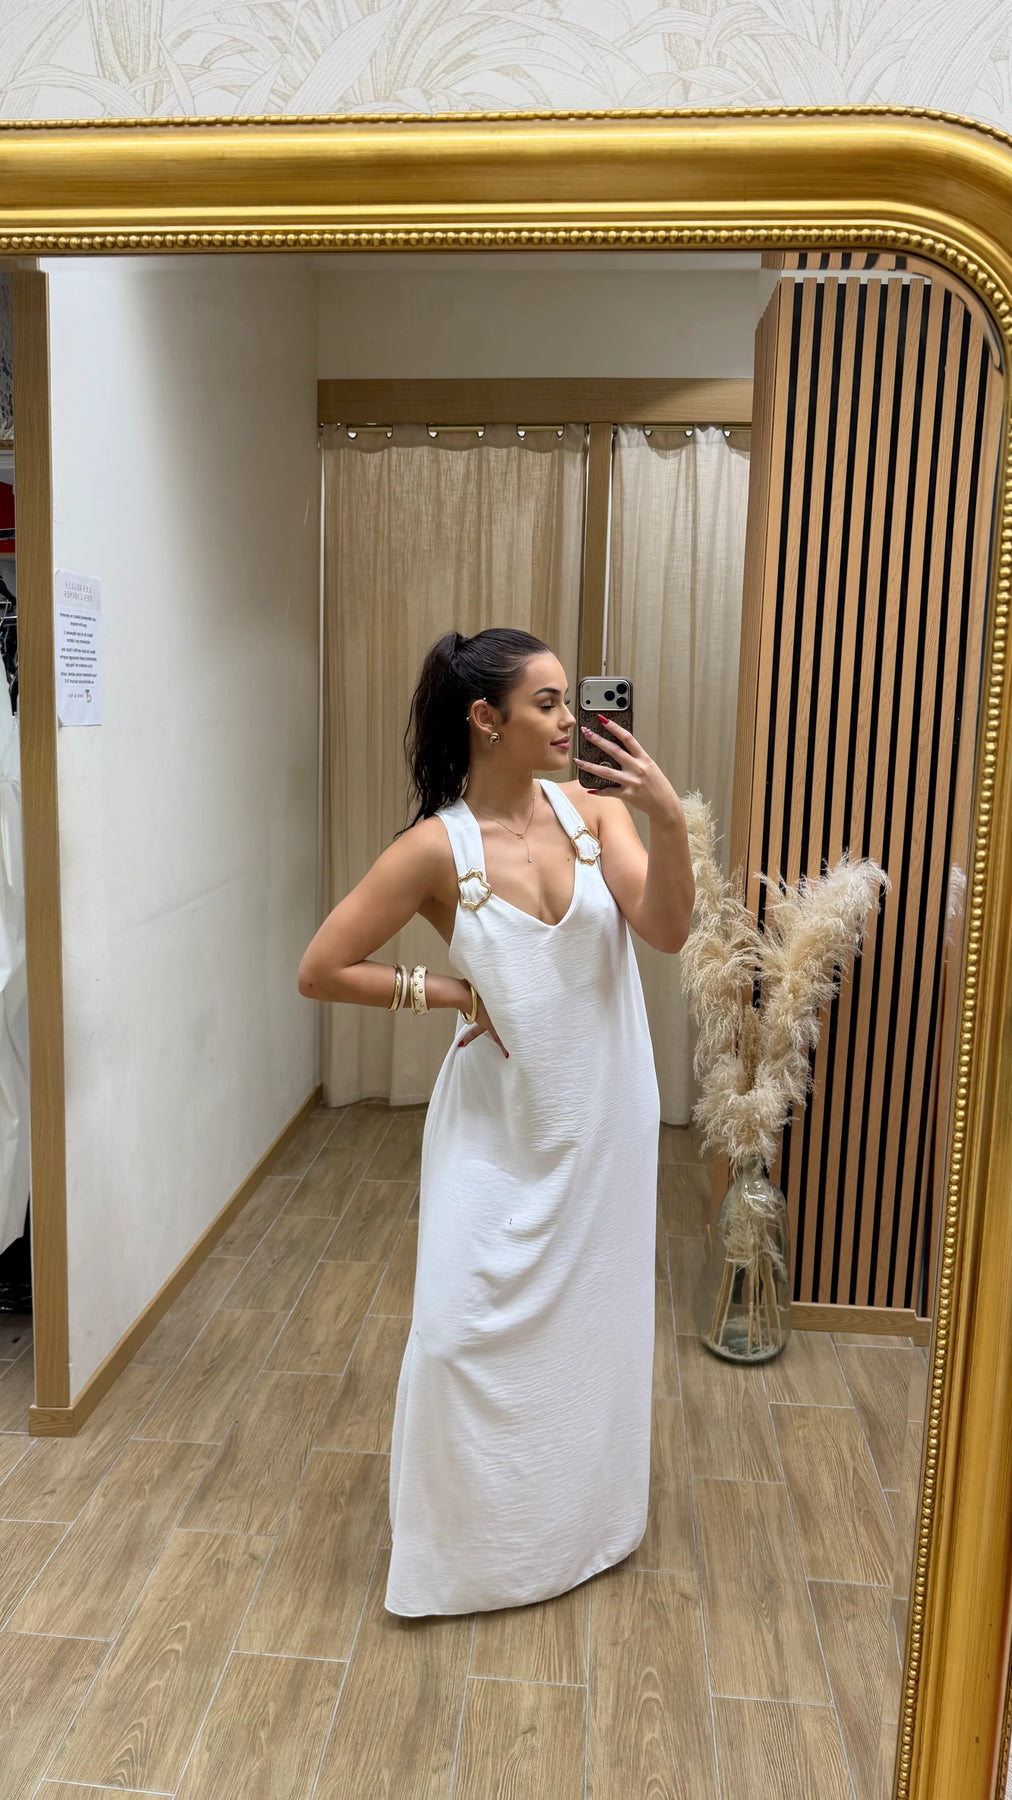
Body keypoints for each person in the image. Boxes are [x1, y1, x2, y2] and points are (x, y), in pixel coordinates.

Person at [298, 627, 694, 1616]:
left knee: (593, 1326)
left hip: (606, 1116)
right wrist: (443, 991)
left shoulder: (597, 812)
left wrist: (668, 820)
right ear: (486, 718)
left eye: (570, 701)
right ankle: (464, 1559)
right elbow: (321, 967)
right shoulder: (436, 847)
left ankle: (581, 1529)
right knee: (451, 1335)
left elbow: (666, 929)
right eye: (547, 703)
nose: (569, 720)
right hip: (497, 1124)